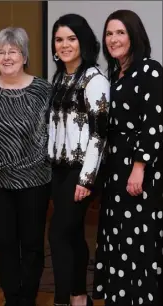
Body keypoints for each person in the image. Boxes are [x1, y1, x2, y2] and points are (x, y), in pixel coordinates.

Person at [0, 27, 52, 306]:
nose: (6, 57)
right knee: (4, 243)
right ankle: (11, 298)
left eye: (13, 51)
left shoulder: (43, 89)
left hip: (36, 179)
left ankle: (27, 297)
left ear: (24, 55)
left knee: (31, 244)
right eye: (1, 52)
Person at [92, 9, 163, 306]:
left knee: (141, 243)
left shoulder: (150, 69)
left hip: (139, 171)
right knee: (118, 240)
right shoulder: (114, 75)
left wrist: (139, 167)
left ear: (134, 35)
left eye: (120, 32)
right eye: (109, 33)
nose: (113, 39)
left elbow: (154, 123)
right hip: (115, 172)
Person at [47, 14, 110, 306]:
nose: (64, 45)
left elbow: (100, 135)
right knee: (72, 235)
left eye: (71, 38)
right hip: (58, 170)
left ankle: (62, 299)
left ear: (84, 42)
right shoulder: (59, 77)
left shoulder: (95, 80)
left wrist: (87, 179)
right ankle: (79, 296)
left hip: (81, 171)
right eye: (59, 39)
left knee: (58, 234)